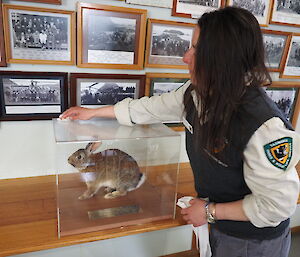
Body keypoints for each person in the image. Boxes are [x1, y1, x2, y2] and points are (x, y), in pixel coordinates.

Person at [60, 7, 300, 257]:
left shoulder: (265, 127)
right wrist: (93, 112)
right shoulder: (197, 93)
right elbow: (149, 109)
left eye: (196, 49)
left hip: (250, 239)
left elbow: (276, 206)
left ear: (222, 58)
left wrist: (209, 211)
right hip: (212, 218)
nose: (186, 57)